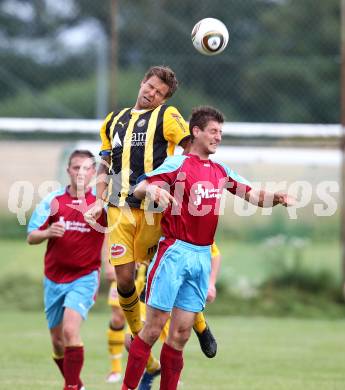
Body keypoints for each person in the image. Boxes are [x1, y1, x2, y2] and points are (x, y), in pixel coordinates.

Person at [121, 106, 295, 390]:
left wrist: (275, 198)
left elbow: (251, 195)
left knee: (180, 334)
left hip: (202, 256)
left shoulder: (220, 171)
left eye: (221, 133)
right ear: (196, 131)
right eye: (213, 131)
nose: (218, 137)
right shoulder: (177, 165)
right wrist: (152, 190)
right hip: (174, 252)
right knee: (153, 329)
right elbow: (140, 188)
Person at [85, 65, 217, 384]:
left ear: (165, 98)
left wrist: (176, 182)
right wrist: (97, 198)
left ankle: (199, 324)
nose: (152, 93)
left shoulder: (167, 116)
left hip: (154, 211)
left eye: (159, 92)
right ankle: (148, 357)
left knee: (165, 280)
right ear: (143, 82)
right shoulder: (113, 121)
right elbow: (106, 160)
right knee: (126, 283)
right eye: (151, 86)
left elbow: (189, 146)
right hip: (119, 208)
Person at [27, 150, 106, 390]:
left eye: (86, 168)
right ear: (68, 170)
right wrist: (48, 232)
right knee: (58, 342)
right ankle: (77, 384)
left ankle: (70, 387)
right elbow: (31, 236)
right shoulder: (53, 201)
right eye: (76, 168)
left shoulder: (100, 205)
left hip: (84, 277)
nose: (81, 172)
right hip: (53, 278)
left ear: (93, 173)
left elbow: (118, 233)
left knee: (71, 331)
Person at [104, 243, 221, 385]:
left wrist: (211, 283)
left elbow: (213, 252)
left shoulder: (184, 227)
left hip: (175, 281)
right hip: (146, 287)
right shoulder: (144, 223)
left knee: (178, 336)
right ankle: (152, 368)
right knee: (130, 341)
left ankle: (201, 328)